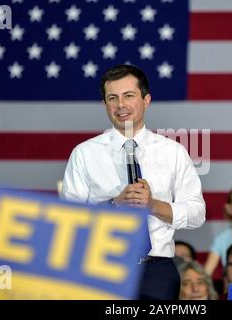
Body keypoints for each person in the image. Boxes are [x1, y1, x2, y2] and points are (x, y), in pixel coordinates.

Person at [61, 64, 206, 300]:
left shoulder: (173, 152)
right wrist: (114, 205)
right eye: (112, 98)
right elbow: (69, 219)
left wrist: (153, 205)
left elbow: (197, 214)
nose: (121, 105)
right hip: (103, 269)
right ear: (104, 104)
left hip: (157, 272)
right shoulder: (84, 154)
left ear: (146, 100)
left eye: (129, 96)